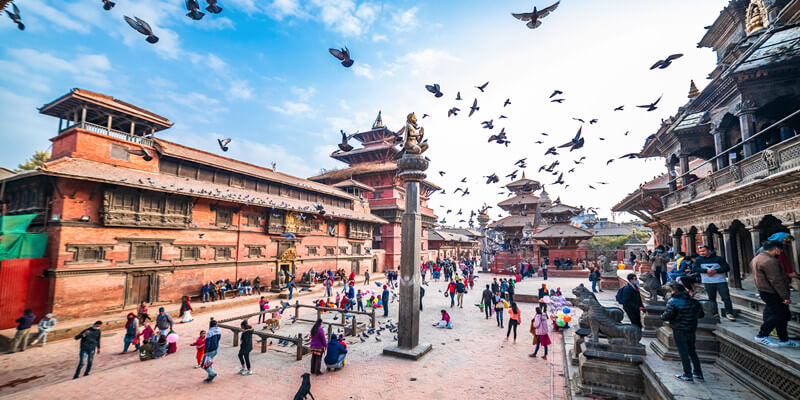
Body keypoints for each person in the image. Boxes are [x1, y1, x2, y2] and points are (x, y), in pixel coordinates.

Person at [752, 241, 796, 347]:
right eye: (780, 250)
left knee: (782, 315)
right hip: (773, 292)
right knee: (779, 315)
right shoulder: (770, 261)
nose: (780, 252)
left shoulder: (757, 258)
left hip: (765, 290)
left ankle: (784, 339)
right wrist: (785, 297)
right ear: (776, 249)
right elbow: (777, 280)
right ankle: (762, 335)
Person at [660, 284, 704, 383]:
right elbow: (701, 315)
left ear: (674, 291)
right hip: (691, 328)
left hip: (679, 329)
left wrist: (662, 316)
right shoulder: (694, 302)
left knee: (683, 351)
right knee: (692, 351)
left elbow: (666, 316)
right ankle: (698, 372)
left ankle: (687, 374)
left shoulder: (673, 301)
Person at [693, 244, 736, 321]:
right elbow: (695, 268)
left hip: (720, 281)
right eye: (700, 252)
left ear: (709, 250)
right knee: (712, 298)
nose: (702, 253)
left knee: (726, 297)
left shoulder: (718, 259)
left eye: (703, 251)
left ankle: (729, 313)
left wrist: (716, 271)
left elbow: (726, 267)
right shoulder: (698, 260)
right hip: (708, 281)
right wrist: (706, 271)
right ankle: (715, 313)